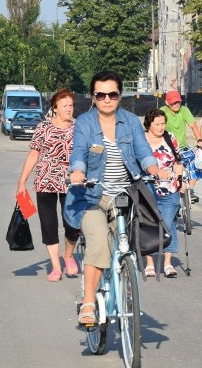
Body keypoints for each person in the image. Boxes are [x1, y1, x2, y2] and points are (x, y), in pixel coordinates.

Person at [65, 70, 172, 326]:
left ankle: (125, 283)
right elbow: (78, 151)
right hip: (92, 196)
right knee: (99, 243)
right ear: (93, 97)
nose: (106, 99)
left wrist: (154, 169)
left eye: (112, 94)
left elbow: (143, 150)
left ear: (119, 95)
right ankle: (89, 303)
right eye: (100, 95)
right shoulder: (84, 123)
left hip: (126, 195)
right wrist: (78, 171)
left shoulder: (131, 122)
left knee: (128, 245)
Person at [16, 88, 80, 281]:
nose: (69, 109)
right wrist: (22, 182)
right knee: (49, 225)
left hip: (72, 183)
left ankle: (68, 255)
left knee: (73, 224)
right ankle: (55, 267)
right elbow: (34, 154)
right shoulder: (43, 127)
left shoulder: (79, 128)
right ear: (55, 108)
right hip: (46, 181)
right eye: (65, 105)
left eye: (71, 105)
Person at [142, 109, 185, 278]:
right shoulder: (141, 141)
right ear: (149, 124)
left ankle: (168, 263)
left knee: (167, 223)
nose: (161, 127)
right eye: (157, 124)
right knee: (149, 224)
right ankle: (150, 263)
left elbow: (178, 161)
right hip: (147, 188)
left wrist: (181, 181)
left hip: (169, 187)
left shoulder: (170, 138)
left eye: (163, 123)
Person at [162, 89, 202, 202]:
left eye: (178, 102)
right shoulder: (162, 112)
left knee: (196, 162)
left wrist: (200, 140)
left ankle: (191, 190)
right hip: (168, 148)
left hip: (182, 146)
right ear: (167, 103)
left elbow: (193, 126)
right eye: (173, 102)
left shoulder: (184, 110)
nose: (176, 105)